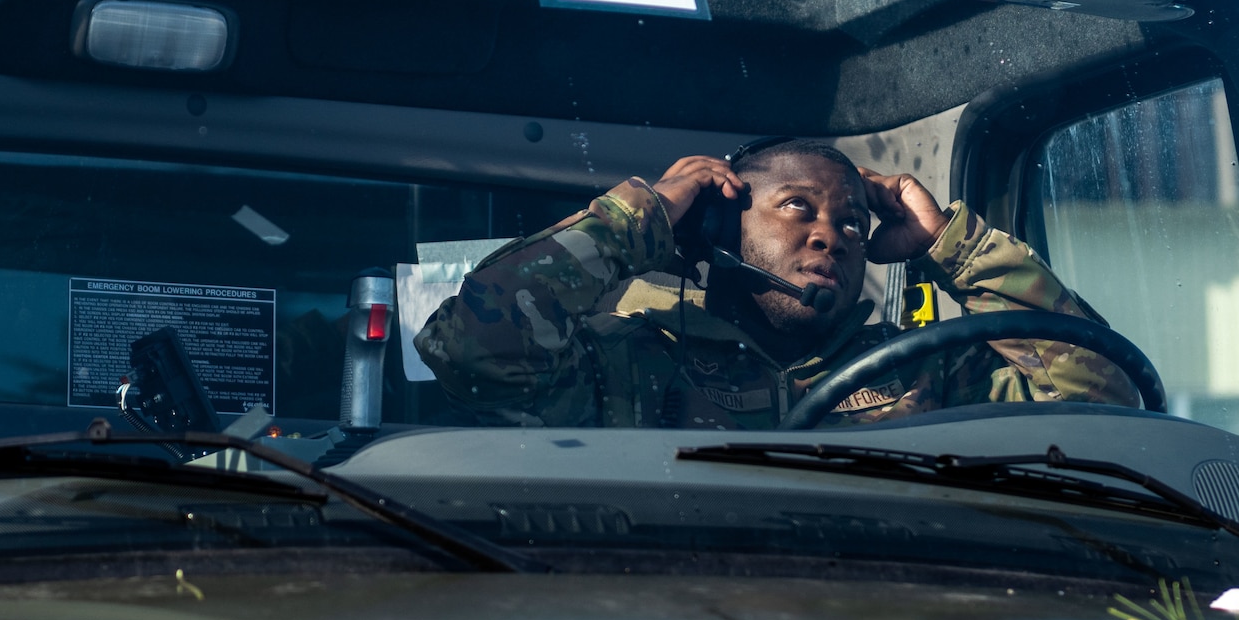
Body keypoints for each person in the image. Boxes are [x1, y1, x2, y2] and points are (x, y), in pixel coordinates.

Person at [415, 138, 1137, 429]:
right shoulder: (624, 362)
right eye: (799, 208)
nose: (832, 235)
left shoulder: (934, 369)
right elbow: (477, 345)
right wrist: (647, 215)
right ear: (720, 229)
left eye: (853, 224)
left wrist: (957, 243)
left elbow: (1104, 409)